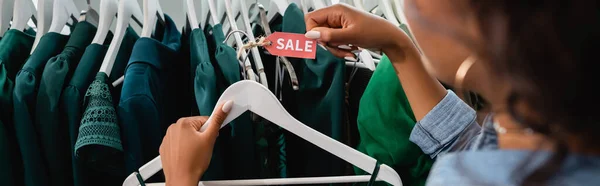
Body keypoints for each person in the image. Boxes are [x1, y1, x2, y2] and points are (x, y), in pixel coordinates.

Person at [160, 0, 600, 185]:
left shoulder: (467, 180)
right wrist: (400, 47)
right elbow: (478, 146)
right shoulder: (551, 121)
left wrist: (180, 183)